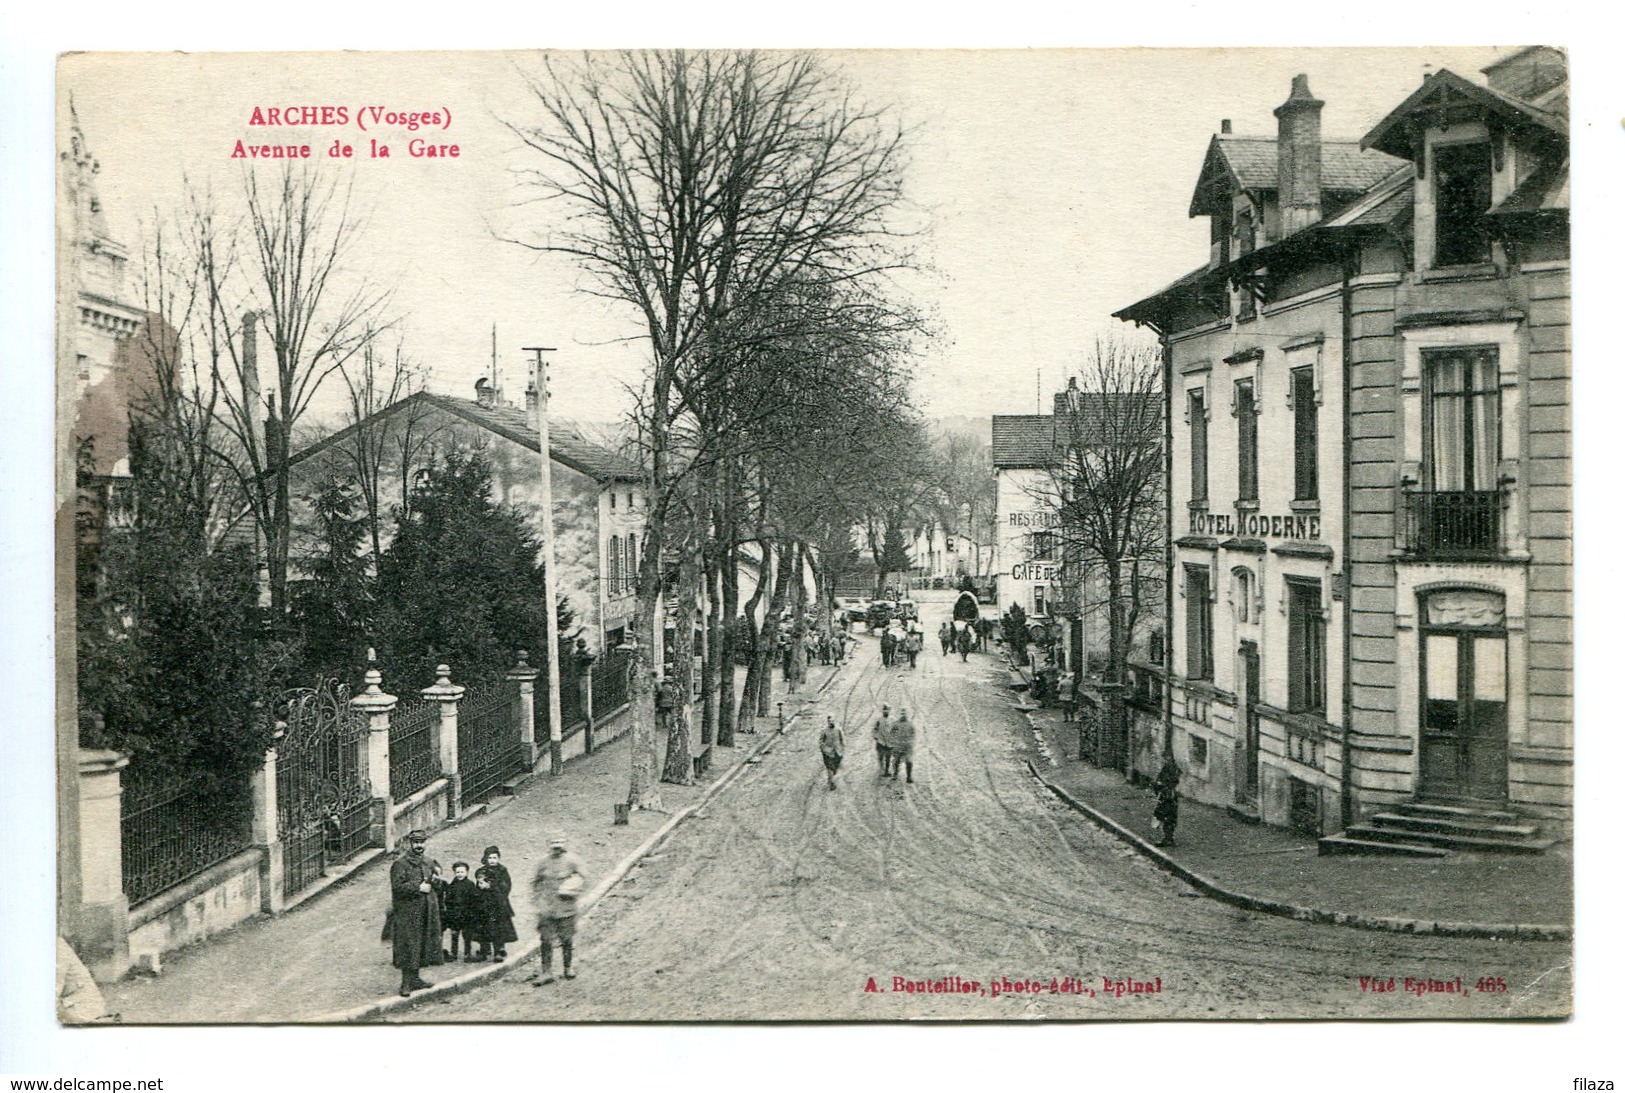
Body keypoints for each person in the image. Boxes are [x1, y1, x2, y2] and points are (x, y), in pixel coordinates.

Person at [388, 829, 444, 996]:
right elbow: (397, 887)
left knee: (422, 944)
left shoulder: (428, 862)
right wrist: (417, 888)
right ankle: (406, 983)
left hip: (426, 910)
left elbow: (437, 885)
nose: (419, 846)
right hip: (408, 912)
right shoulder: (400, 864)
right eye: (416, 843)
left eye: (422, 842)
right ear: (409, 844)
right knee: (408, 945)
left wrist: (436, 881)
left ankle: (416, 979)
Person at [532, 836, 586, 985]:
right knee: (546, 940)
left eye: (559, 845)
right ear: (549, 846)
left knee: (566, 939)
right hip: (547, 908)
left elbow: (583, 879)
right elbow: (535, 882)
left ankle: (567, 967)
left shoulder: (573, 861)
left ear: (564, 845)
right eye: (554, 845)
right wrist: (537, 901)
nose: (557, 849)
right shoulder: (542, 862)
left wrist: (572, 889)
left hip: (566, 908)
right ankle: (546, 972)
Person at [476, 845, 518, 962]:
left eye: (495, 858)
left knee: (498, 928)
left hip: (499, 904)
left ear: (498, 858)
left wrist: (492, 887)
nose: (492, 860)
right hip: (485, 905)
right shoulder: (482, 871)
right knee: (484, 927)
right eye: (490, 858)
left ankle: (499, 950)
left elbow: (506, 886)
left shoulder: (502, 870)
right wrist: (481, 887)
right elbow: (479, 885)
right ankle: (484, 949)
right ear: (486, 859)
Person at [441, 861, 480, 963]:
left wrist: (472, 911)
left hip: (467, 915)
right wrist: (450, 910)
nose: (459, 874)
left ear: (466, 872)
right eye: (457, 872)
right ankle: (453, 953)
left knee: (467, 935)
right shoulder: (452, 885)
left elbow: (475, 899)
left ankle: (467, 954)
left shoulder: (470, 885)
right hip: (455, 915)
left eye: (462, 872)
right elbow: (448, 899)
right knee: (454, 934)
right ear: (454, 873)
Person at [1152, 756, 1182, 847]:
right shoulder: (1168, 769)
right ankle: (1168, 838)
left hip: (1168, 797)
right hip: (1167, 796)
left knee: (1168, 817)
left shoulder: (1171, 770)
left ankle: (1168, 838)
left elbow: (1169, 782)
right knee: (1167, 817)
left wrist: (1160, 788)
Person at [818, 715, 846, 790]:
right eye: (829, 721)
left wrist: (842, 749)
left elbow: (842, 740)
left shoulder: (838, 730)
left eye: (832, 721)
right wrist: (825, 749)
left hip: (837, 752)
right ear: (827, 722)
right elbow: (820, 742)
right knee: (830, 768)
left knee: (836, 767)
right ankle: (831, 783)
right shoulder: (824, 731)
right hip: (828, 753)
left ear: (835, 721)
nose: (831, 722)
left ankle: (833, 779)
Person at [890, 709, 917, 783]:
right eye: (902, 714)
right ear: (900, 715)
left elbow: (913, 733)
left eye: (904, 714)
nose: (903, 715)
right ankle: (895, 774)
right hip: (898, 746)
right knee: (896, 761)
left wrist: (911, 741)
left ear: (906, 715)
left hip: (907, 747)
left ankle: (909, 777)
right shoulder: (896, 724)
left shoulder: (910, 724)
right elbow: (891, 733)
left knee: (909, 761)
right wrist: (893, 741)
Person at [873, 704, 894, 776]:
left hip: (889, 742)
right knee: (880, 757)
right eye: (884, 711)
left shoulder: (892, 720)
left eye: (887, 711)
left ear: (889, 711)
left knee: (888, 758)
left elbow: (896, 730)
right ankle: (881, 769)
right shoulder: (879, 720)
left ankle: (886, 771)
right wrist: (875, 736)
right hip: (881, 742)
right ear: (882, 712)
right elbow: (875, 729)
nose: (885, 712)